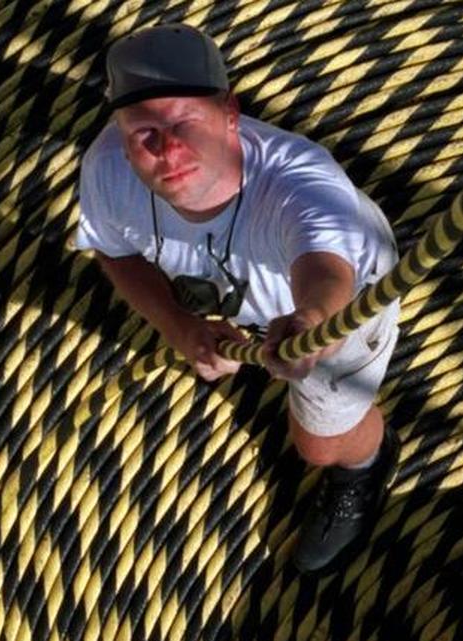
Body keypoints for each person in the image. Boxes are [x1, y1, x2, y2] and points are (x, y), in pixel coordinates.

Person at [74, 23, 402, 573]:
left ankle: (365, 461)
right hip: (263, 303)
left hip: (347, 305)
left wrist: (313, 323)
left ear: (231, 111)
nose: (168, 150)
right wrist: (179, 327)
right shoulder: (107, 168)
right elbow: (114, 252)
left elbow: (326, 270)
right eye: (144, 132)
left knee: (318, 447)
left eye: (185, 122)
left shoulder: (301, 183)